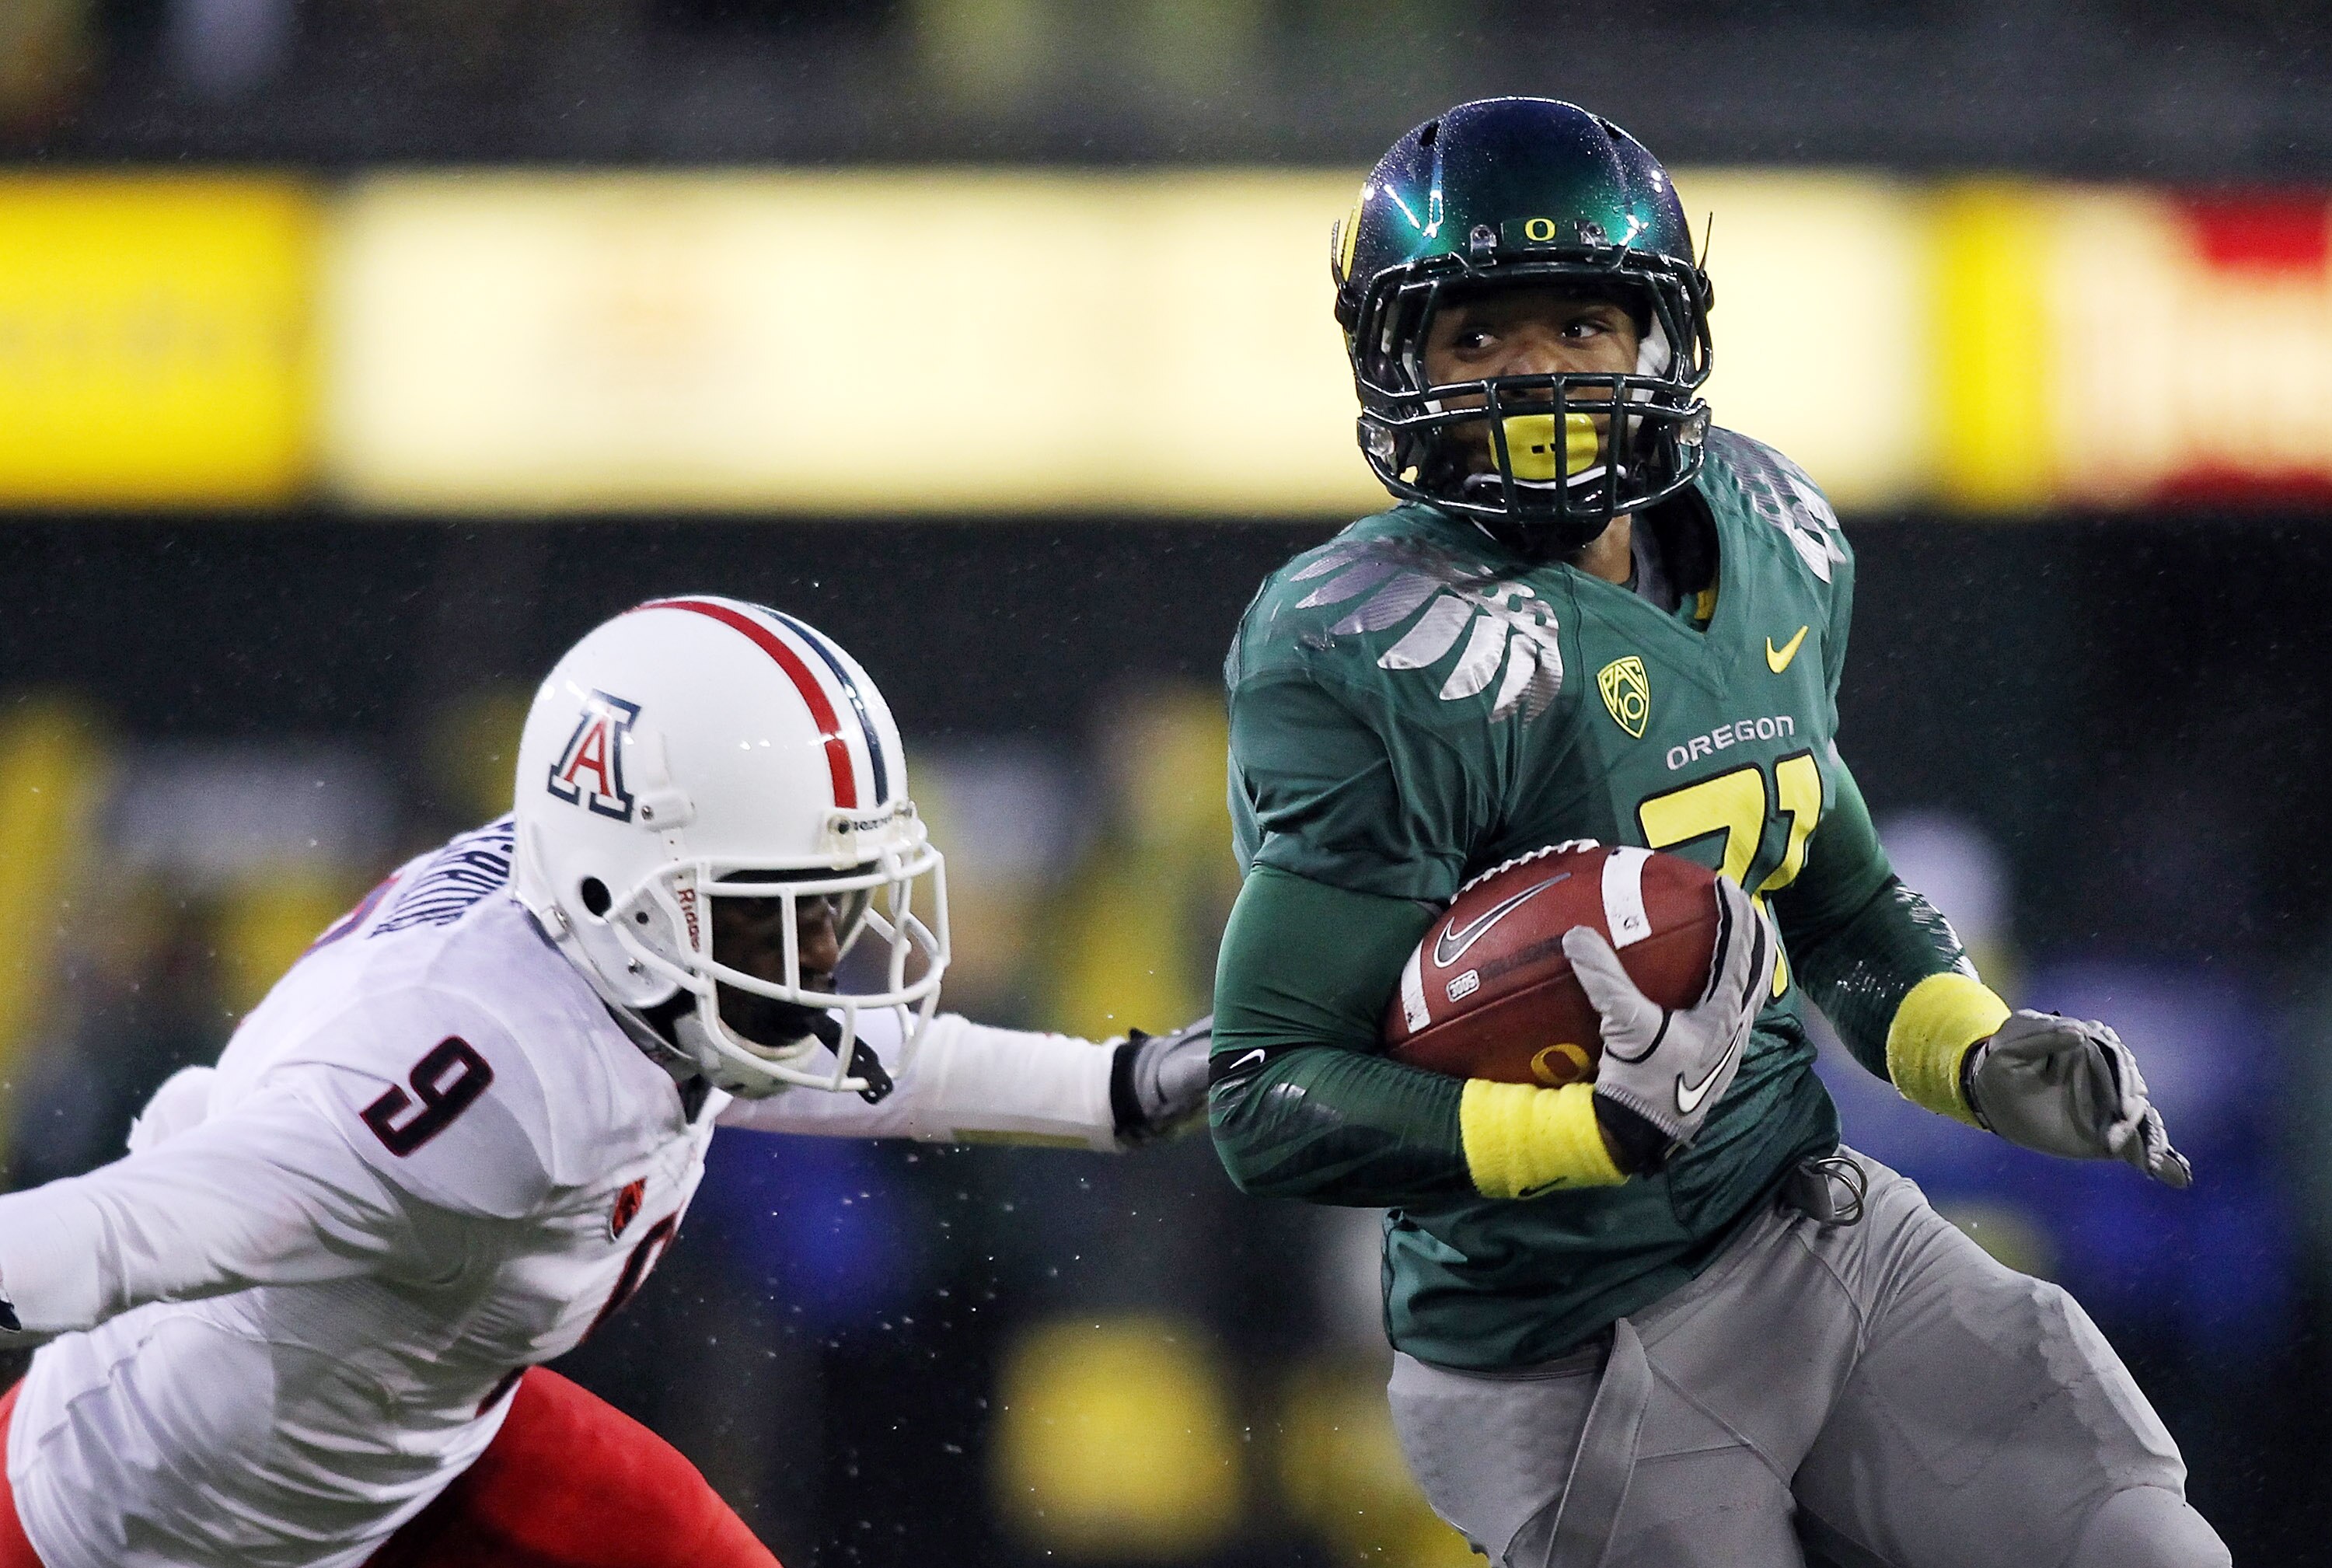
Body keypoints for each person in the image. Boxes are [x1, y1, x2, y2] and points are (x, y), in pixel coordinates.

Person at [1206, 99, 2227, 1568]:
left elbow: (1835, 890)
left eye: (1576, 326)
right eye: (1474, 339)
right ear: (1397, 361)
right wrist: (1584, 1125)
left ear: (1657, 339)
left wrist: (1978, 1050)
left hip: (1809, 1218)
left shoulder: (1771, 529)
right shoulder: (1364, 641)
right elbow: (1264, 1091)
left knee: (2144, 1548)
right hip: (1563, 1333)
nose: (1533, 373)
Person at [0, 594, 1210, 1568]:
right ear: (622, 899)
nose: (828, 958)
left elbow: (835, 1052)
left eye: (828, 906)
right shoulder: (470, 1090)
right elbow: (111, 1234)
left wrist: (1123, 1082)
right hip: (149, 1526)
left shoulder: (620, 952)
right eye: (770, 919)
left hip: (427, 1440)